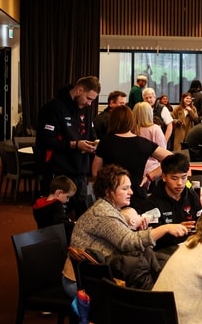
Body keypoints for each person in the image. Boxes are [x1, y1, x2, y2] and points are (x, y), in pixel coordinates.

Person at [67, 164, 189, 296]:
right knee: (155, 273)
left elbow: (127, 241)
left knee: (164, 263)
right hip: (82, 283)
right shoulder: (102, 212)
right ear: (109, 192)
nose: (131, 192)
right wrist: (165, 228)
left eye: (130, 187)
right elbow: (128, 242)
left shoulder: (108, 208)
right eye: (125, 188)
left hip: (99, 276)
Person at [36, 75, 101, 217]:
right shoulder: (53, 108)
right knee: (57, 216)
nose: (90, 103)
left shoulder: (85, 109)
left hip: (81, 171)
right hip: (58, 171)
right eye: (88, 98)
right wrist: (75, 145)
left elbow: (91, 134)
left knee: (81, 215)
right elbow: (44, 141)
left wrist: (93, 143)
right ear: (79, 90)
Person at [92, 105, 171, 208]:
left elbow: (95, 172)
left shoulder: (105, 142)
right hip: (137, 194)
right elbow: (172, 158)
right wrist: (151, 175)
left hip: (112, 195)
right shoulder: (142, 143)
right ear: (131, 121)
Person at [147, 154, 202, 253]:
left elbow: (201, 222)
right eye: (174, 178)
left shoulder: (192, 196)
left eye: (184, 177)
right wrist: (175, 229)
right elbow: (152, 238)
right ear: (164, 177)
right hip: (163, 252)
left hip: (191, 248)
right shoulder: (152, 202)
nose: (180, 183)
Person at [33, 175, 77, 241]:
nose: (67, 200)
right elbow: (61, 223)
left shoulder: (39, 205)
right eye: (67, 197)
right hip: (57, 239)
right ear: (58, 193)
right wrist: (74, 224)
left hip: (44, 238)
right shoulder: (56, 205)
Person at [133, 101, 168, 182]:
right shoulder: (155, 129)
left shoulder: (130, 129)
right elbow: (163, 151)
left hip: (134, 169)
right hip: (152, 171)